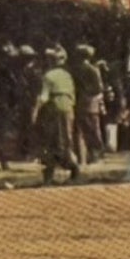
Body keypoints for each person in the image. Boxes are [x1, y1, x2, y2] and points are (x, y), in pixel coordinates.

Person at [34, 46, 80, 185]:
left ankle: (52, 174)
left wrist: (35, 111)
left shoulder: (49, 76)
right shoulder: (67, 75)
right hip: (68, 109)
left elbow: (43, 96)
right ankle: (72, 169)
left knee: (52, 141)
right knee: (66, 140)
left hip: (54, 109)